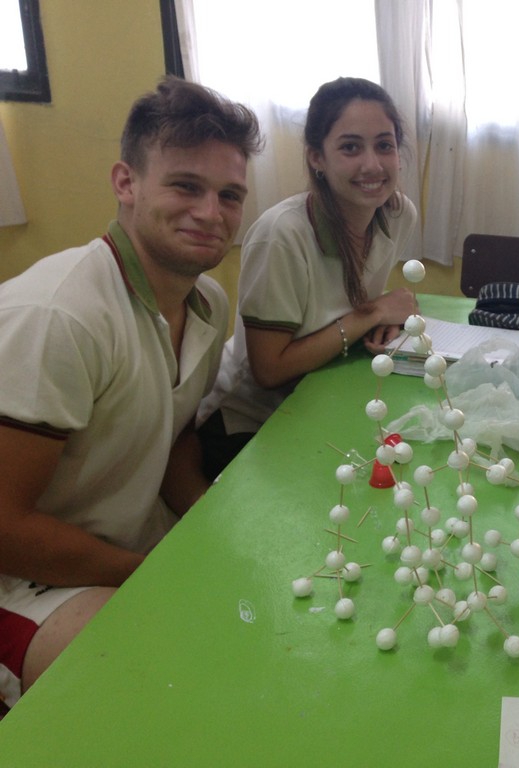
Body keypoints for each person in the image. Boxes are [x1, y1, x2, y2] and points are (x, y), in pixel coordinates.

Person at [0, 77, 262, 709]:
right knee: (154, 685)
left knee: (264, 603)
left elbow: (172, 438)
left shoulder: (206, 302)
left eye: (229, 195)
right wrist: (152, 574)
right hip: (25, 579)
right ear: (126, 183)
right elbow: (5, 527)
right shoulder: (60, 316)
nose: (212, 213)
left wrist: (209, 521)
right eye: (186, 186)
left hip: (125, 541)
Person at [197, 77, 419, 479]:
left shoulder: (397, 213)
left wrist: (383, 318)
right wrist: (372, 314)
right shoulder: (281, 234)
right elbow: (268, 371)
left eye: (385, 145)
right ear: (317, 157)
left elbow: (341, 300)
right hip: (249, 421)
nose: (372, 165)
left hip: (319, 393)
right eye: (350, 147)